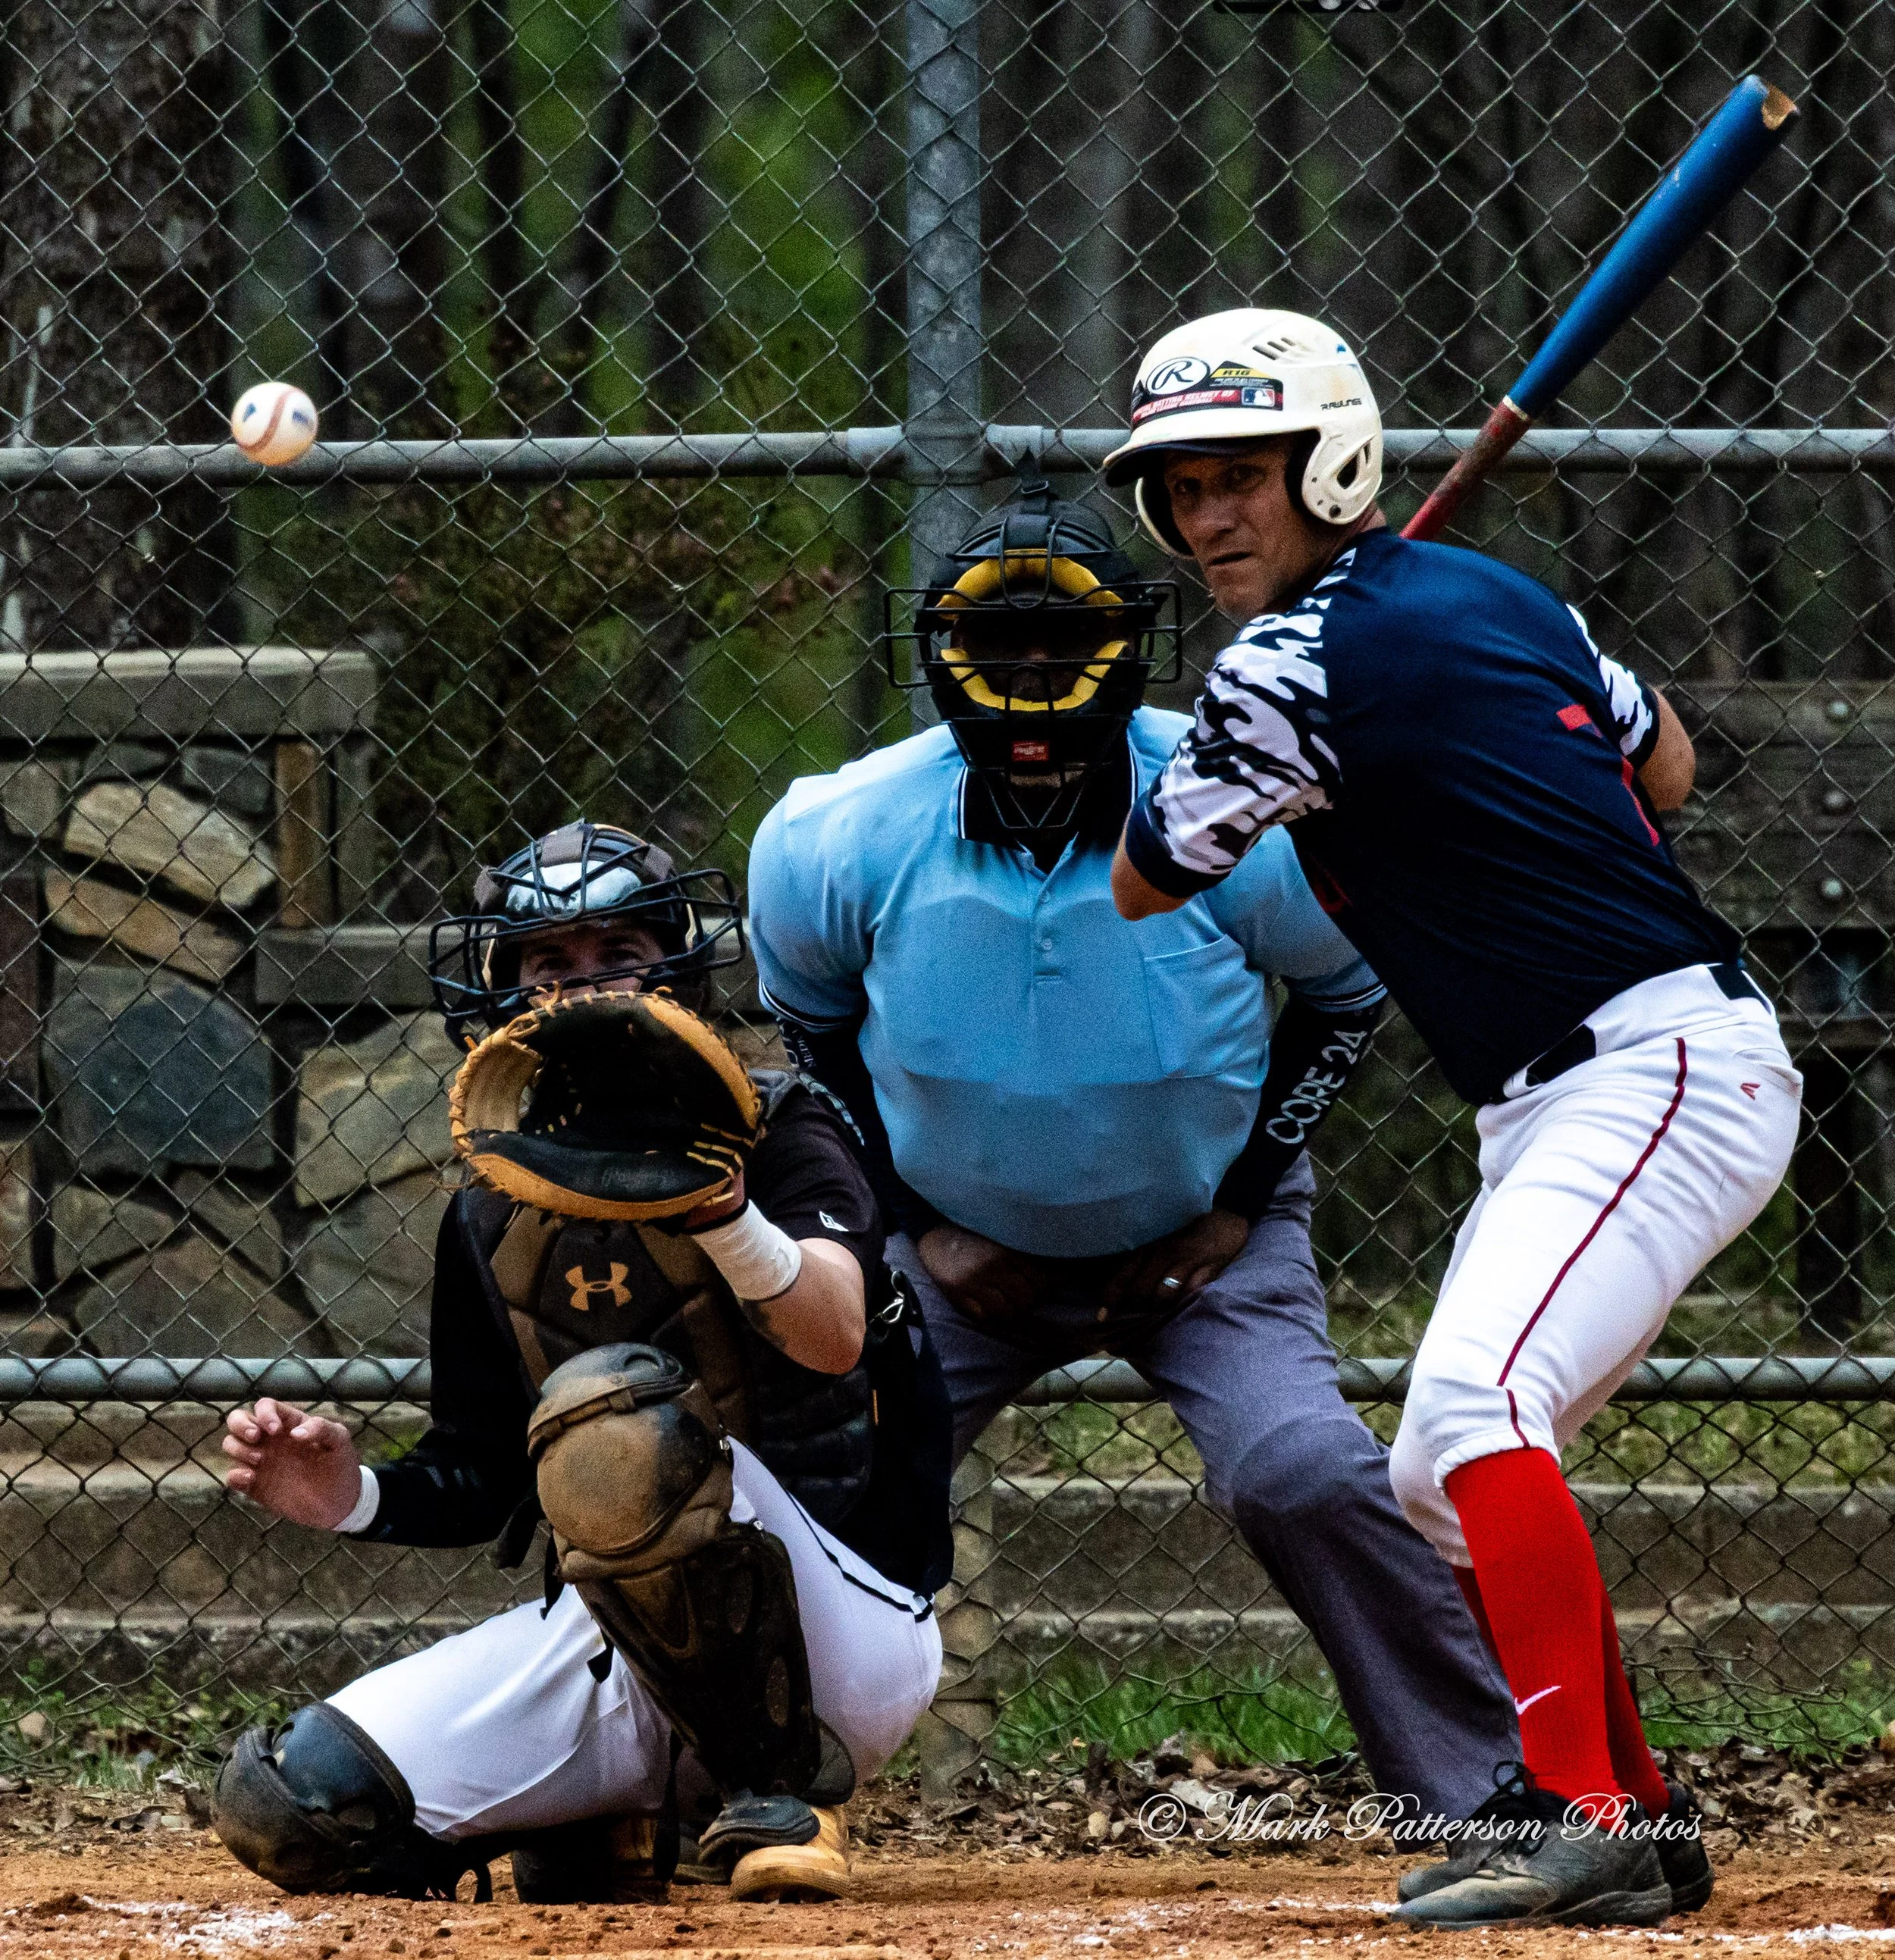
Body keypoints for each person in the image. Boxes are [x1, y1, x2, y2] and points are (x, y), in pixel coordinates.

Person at [1105, 306, 1800, 1927]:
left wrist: (1310, 720)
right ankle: (1635, 1818)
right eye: (1180, 489)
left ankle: (1580, 1810)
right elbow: (1665, 766)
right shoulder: (1498, 595)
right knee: (1439, 1463)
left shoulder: (1281, 665)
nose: (1207, 518)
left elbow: (1149, 878)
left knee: (1482, 1405)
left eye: (1240, 480)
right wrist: (1399, 706)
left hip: (1653, 1065)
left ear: (1327, 466)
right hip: (1582, 1087)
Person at [747, 480, 1518, 1821]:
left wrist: (1228, 1210)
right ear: (937, 652)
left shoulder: (1235, 802)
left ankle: (1488, 1796)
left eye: (1067, 643)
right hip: (945, 1242)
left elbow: (1345, 995)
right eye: (1002, 646)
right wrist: (917, 1227)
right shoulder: (839, 831)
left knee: (1307, 1467)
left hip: (1202, 1233)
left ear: (1134, 644)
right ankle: (736, 1783)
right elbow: (811, 1035)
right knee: (807, 1471)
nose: (1033, 675)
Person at [211, 822, 952, 1905]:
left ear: (680, 969)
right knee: (301, 1805)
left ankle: (779, 1788)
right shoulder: (488, 1203)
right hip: (624, 1641)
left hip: (843, 1631)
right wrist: (349, 1494)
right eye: (547, 963)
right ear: (498, 989)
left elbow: (835, 1332)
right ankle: (615, 1810)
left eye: (617, 952)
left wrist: (723, 1213)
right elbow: (483, 1466)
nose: (583, 986)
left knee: (610, 1409)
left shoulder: (778, 1129)